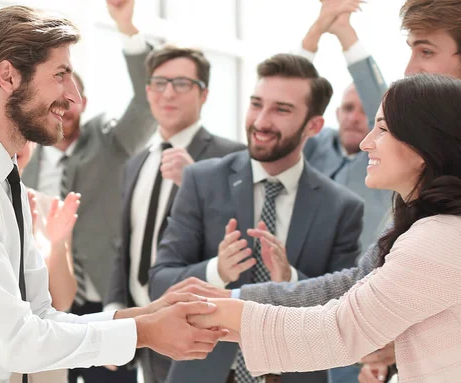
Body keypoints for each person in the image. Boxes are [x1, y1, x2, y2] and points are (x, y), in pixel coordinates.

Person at [0, 6, 225, 382]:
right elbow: (16, 341)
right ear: (7, 75)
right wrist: (147, 332)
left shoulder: (1, 175)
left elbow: (40, 315)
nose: (73, 96)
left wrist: (148, 315)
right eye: (61, 75)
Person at [168, 1, 461, 381]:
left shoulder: (435, 236)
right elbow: (353, 284)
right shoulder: (422, 224)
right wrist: (231, 298)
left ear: (426, 142)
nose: (367, 141)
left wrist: (213, 310)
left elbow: (336, 330)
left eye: (425, 51)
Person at [149, 53, 364, 383]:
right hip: (205, 373)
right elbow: (160, 282)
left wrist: (291, 279)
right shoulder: (202, 181)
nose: (261, 121)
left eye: (281, 109)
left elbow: (344, 312)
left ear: (314, 126)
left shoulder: (342, 207)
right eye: (256, 104)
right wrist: (216, 271)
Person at [20, 7, 156, 380]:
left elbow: (146, 104)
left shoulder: (111, 142)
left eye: (70, 95)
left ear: (84, 101)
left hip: (102, 296)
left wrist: (127, 28)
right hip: (44, 303)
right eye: (54, 94)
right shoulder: (24, 154)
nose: (62, 103)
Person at [104, 43, 245, 383]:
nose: (168, 93)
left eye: (181, 83)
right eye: (159, 83)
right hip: (145, 332)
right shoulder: (137, 162)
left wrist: (195, 180)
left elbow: (241, 242)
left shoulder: (232, 157)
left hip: (200, 334)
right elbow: (127, 245)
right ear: (148, 91)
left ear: (204, 94)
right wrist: (114, 309)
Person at [300, 0, 392, 258]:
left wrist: (345, 33)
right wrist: (314, 33)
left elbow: (379, 99)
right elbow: (290, 100)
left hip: (357, 279)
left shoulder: (386, 159)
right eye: (349, 108)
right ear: (336, 113)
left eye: (365, 112)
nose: (354, 118)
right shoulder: (313, 145)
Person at [10, 142, 79, 383]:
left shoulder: (51, 207)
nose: (16, 140)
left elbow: (63, 300)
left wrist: (57, 244)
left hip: (46, 366)